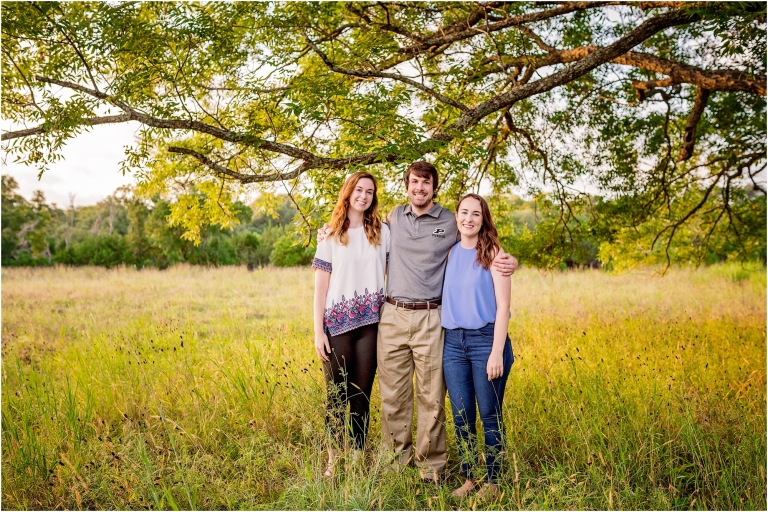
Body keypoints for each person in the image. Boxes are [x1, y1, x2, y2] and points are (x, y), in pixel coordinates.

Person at [318, 161, 517, 482]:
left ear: (434, 188)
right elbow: (356, 229)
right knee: (393, 395)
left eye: (426, 183)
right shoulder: (393, 219)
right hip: (392, 315)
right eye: (414, 182)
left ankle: (431, 467)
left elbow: (479, 237)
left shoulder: (450, 222)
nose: (420, 188)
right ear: (407, 186)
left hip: (432, 317)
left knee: (431, 396)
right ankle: (395, 464)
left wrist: (509, 259)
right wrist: (328, 230)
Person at [312, 171, 390, 477]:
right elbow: (320, 289)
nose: (364, 195)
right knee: (336, 396)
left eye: (369, 192)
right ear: (349, 193)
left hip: (371, 325)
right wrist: (319, 331)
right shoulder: (330, 235)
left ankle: (357, 458)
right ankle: (334, 460)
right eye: (359, 190)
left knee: (361, 396)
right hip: (337, 326)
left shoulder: (383, 232)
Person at [441, 193, 513, 500]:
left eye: (476, 214)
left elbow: (504, 306)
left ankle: (494, 482)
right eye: (464, 212)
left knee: (489, 414)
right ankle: (471, 478)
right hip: (453, 344)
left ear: (483, 220)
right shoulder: (449, 252)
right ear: (456, 216)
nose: (468, 219)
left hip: (486, 341)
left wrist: (497, 352)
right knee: (461, 415)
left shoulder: (494, 253)